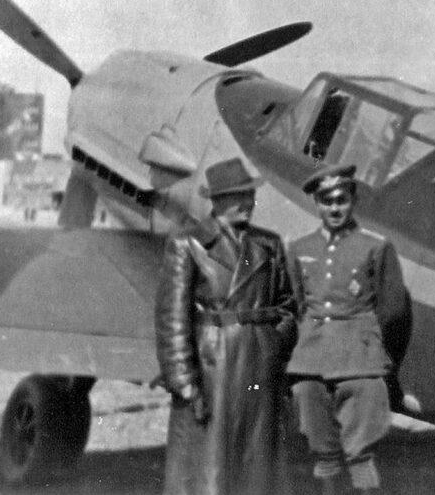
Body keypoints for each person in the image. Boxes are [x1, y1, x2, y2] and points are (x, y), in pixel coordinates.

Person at [155, 158, 296, 495]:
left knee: (257, 468)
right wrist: (185, 384)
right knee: (208, 471)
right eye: (237, 196)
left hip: (257, 372)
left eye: (249, 195)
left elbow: (288, 307)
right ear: (215, 202)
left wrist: (273, 348)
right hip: (212, 373)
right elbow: (172, 321)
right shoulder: (187, 243)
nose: (247, 203)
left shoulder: (269, 244)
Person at [286, 164, 411, 494]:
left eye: (341, 199)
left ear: (353, 200)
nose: (335, 208)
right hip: (311, 363)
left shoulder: (376, 247)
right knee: (324, 453)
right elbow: (298, 304)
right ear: (317, 204)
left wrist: (377, 357)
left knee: (360, 455)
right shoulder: (300, 249)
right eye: (327, 201)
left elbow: (393, 310)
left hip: (359, 362)